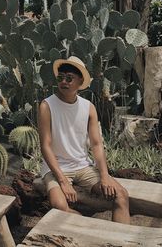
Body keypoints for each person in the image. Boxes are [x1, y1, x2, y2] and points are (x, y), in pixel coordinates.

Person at [37, 56, 130, 224]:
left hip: (82, 166)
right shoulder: (47, 106)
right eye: (60, 77)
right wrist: (63, 181)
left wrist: (104, 175)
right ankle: (95, 234)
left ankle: (122, 240)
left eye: (69, 78)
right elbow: (45, 146)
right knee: (59, 207)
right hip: (56, 168)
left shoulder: (88, 107)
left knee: (121, 195)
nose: (63, 81)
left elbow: (96, 144)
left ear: (80, 82)